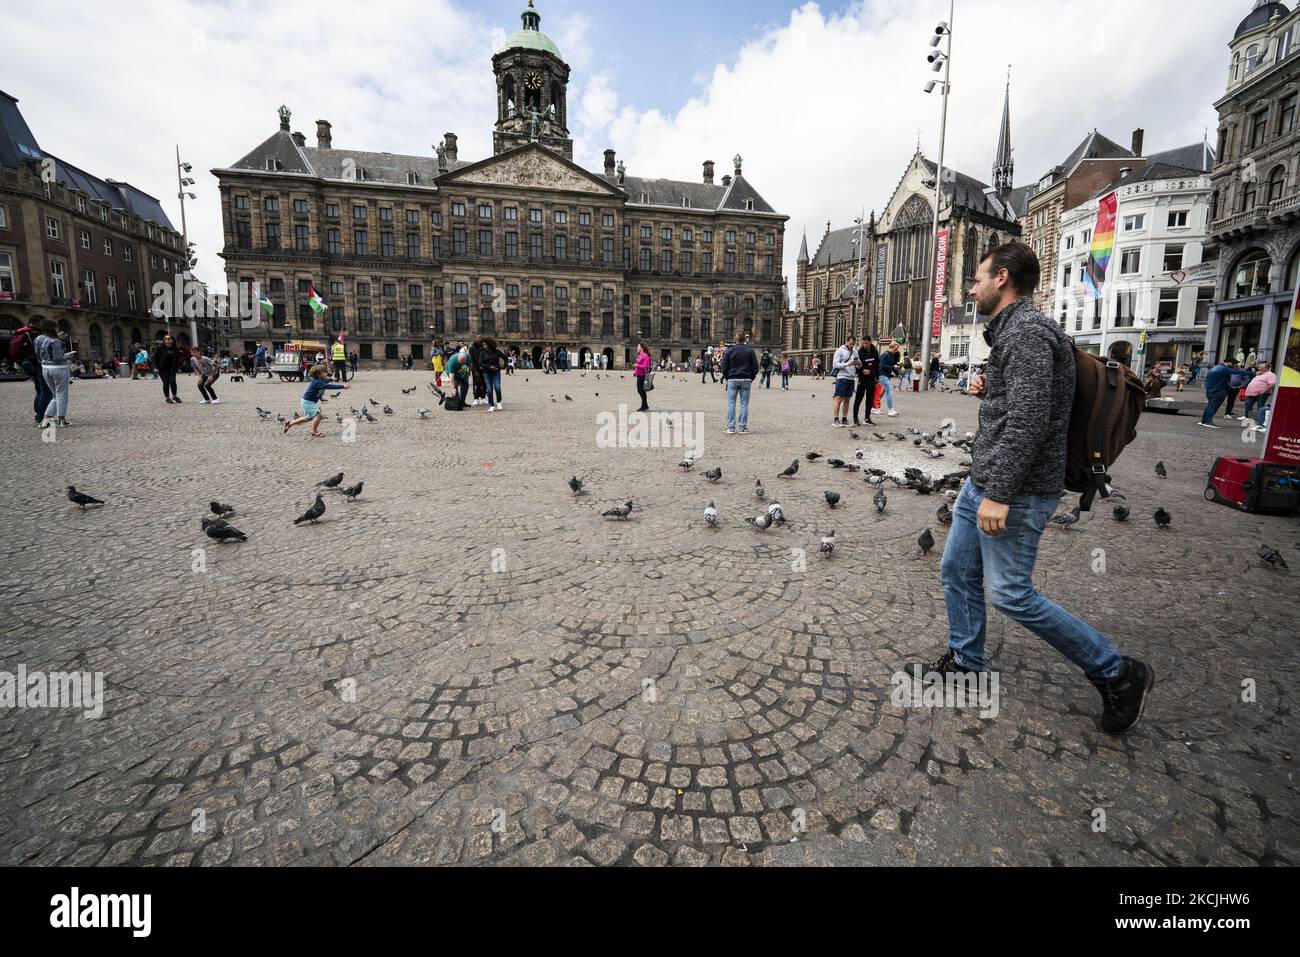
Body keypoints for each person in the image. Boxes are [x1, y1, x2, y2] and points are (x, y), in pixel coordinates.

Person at [907, 242, 1153, 735]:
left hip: (1014, 491)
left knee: (1010, 593)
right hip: (987, 480)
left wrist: (999, 493)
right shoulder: (1015, 334)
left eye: (976, 279)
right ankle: (966, 662)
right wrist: (991, 390)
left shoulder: (1026, 333)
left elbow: (1031, 420)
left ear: (1002, 278)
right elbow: (1023, 403)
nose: (970, 289)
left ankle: (1117, 671)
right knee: (956, 570)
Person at [285, 364, 350, 437]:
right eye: (325, 372)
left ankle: (290, 423)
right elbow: (328, 386)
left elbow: (325, 380)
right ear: (319, 374)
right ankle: (313, 431)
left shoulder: (319, 380)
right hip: (308, 402)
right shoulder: (317, 382)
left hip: (307, 401)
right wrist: (342, 386)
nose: (326, 373)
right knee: (318, 415)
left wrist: (331, 379)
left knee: (308, 418)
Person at [10, 320, 50, 426]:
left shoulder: (19, 333)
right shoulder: (35, 334)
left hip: (27, 364)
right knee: (45, 391)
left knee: (39, 391)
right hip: (37, 364)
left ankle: (37, 414)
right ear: (37, 323)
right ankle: (42, 417)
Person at [35, 319, 73, 428]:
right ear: (53, 328)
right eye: (56, 328)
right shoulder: (55, 341)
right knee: (62, 394)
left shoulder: (39, 339)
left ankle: (46, 419)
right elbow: (58, 358)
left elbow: (38, 354)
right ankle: (62, 420)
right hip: (58, 368)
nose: (58, 330)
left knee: (55, 395)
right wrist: (69, 356)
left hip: (45, 367)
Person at [721, 331, 759, 434]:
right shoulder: (750, 351)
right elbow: (755, 367)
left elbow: (723, 366)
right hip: (746, 379)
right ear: (745, 339)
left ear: (735, 339)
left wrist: (727, 377)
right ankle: (742, 428)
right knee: (744, 404)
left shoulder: (729, 351)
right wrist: (751, 377)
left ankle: (730, 428)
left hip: (732, 379)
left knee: (731, 403)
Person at [1199, 358, 1240, 429]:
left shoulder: (1216, 367)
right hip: (1219, 391)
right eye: (1235, 364)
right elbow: (1228, 380)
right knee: (1213, 407)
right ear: (1230, 363)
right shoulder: (1224, 369)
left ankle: (1203, 421)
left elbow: (1207, 378)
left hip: (1211, 390)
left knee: (1209, 406)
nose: (1236, 366)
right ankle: (1208, 422)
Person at [831, 335, 859, 428]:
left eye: (853, 344)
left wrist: (858, 364)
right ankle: (835, 419)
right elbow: (835, 364)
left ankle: (844, 419)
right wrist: (848, 364)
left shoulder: (855, 351)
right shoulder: (839, 350)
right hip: (842, 377)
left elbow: (859, 365)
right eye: (851, 344)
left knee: (847, 400)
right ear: (846, 341)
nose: (852, 346)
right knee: (838, 399)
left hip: (851, 378)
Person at [1242, 361, 1277, 429]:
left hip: (1262, 393)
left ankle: (1260, 422)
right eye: (1259, 367)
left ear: (1266, 368)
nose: (1259, 368)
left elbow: (1272, 384)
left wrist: (1264, 391)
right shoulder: (1260, 373)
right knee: (1248, 404)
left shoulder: (1271, 375)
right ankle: (1249, 418)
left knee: (1260, 406)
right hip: (1252, 393)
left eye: (1261, 367)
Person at [854, 336, 880, 427]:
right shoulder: (859, 352)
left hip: (871, 379)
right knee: (858, 399)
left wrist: (877, 377)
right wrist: (862, 371)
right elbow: (856, 366)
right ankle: (855, 418)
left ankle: (867, 418)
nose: (864, 345)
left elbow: (877, 365)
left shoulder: (875, 351)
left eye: (866, 343)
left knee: (869, 400)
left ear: (870, 342)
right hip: (862, 379)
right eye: (863, 343)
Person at [153, 334, 183, 404]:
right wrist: (155, 367)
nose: (167, 340)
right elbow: (155, 358)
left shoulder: (175, 349)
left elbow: (178, 359)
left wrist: (178, 367)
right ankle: (167, 397)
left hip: (172, 368)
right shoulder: (159, 348)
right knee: (166, 382)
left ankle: (174, 396)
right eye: (165, 339)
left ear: (172, 340)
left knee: (173, 381)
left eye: (169, 338)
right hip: (162, 369)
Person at [480, 337, 505, 412]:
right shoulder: (482, 352)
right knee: (490, 389)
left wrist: (505, 365)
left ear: (490, 344)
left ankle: (499, 402)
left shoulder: (497, 352)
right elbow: (480, 363)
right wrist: (489, 367)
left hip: (496, 372)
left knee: (497, 387)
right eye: (483, 345)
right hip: (486, 373)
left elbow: (505, 358)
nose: (484, 346)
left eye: (485, 345)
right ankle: (491, 405)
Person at [877, 344, 899, 416]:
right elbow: (882, 365)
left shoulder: (891, 355)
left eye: (897, 350)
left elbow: (892, 366)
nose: (896, 351)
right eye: (895, 349)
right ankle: (890, 410)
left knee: (882, 392)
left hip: (885, 375)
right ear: (890, 347)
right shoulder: (885, 355)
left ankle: (874, 407)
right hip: (883, 375)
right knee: (889, 392)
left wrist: (898, 374)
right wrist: (893, 366)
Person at [634, 342, 652, 412]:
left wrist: (636, 366)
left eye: (638, 347)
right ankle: (645, 405)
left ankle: (644, 406)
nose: (637, 348)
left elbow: (645, 366)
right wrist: (635, 372)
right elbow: (639, 364)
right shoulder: (640, 355)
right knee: (641, 391)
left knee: (641, 391)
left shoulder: (645, 356)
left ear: (642, 348)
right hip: (639, 375)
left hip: (643, 375)